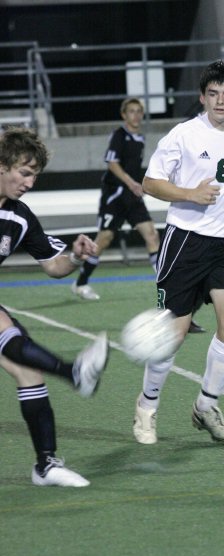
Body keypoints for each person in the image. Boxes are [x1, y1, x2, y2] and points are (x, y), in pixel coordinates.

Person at [133, 60, 224, 445]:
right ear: (203, 97)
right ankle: (147, 406)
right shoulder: (183, 135)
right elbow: (149, 183)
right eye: (213, 94)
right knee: (173, 335)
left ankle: (206, 405)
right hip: (185, 242)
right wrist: (190, 193)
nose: (219, 101)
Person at [0, 127, 109, 487]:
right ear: (1, 166)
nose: (29, 182)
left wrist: (76, 258)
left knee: (27, 371)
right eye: (24, 172)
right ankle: (74, 372)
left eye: (34, 176)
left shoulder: (19, 217)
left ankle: (46, 465)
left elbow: (53, 265)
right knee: (11, 338)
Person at [70, 96, 205, 333]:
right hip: (115, 196)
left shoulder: (140, 138)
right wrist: (132, 183)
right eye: (131, 111)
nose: (135, 115)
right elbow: (112, 163)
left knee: (151, 234)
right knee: (104, 240)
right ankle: (80, 283)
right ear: (124, 115)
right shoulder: (119, 135)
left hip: (132, 197)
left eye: (138, 111)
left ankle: (161, 279)